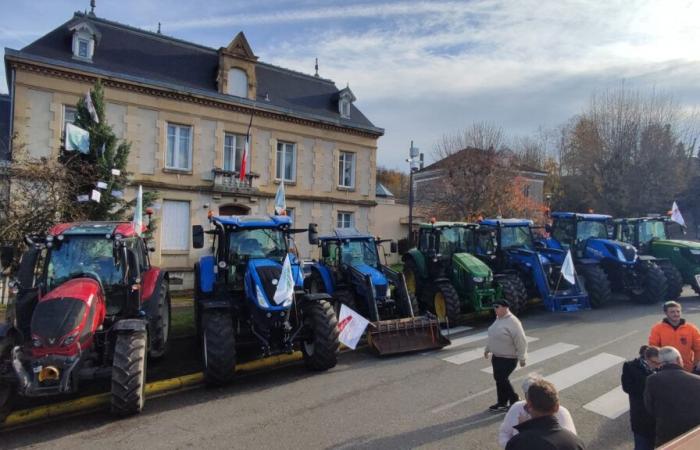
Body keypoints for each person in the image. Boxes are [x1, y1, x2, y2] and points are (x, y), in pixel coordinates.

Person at [498, 374, 577, 448]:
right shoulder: (516, 407)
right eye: (528, 395)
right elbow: (504, 433)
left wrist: (523, 429)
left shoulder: (562, 413)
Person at [643, 346, 700, 447]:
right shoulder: (697, 380)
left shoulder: (652, 380)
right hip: (692, 435)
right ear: (678, 359)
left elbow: (649, 408)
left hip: (666, 435)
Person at [484, 298, 528, 412]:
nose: (495, 309)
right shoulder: (498, 319)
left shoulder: (513, 321)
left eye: (497, 307)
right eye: (494, 307)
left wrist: (522, 357)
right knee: (499, 379)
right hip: (497, 357)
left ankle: (514, 400)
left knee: (501, 378)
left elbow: (521, 340)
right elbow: (492, 335)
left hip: (509, 358)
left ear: (505, 307)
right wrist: (487, 349)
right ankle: (502, 402)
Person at [621, 345, 660, 450]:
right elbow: (627, 388)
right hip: (641, 417)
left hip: (657, 420)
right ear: (646, 359)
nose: (657, 366)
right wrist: (649, 387)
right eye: (655, 362)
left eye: (659, 363)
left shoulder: (660, 368)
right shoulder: (630, 367)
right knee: (642, 445)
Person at [648, 301, 700, 372]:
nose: (676, 314)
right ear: (666, 313)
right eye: (672, 312)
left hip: (687, 370)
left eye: (678, 311)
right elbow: (653, 349)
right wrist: (658, 366)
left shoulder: (691, 328)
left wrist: (696, 364)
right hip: (666, 370)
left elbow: (698, 348)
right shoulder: (657, 329)